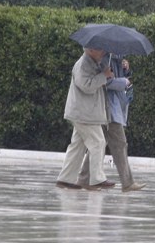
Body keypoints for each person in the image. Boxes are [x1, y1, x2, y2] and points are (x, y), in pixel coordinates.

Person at [78, 55, 146, 193]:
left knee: (99, 143)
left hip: (113, 107)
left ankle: (84, 179)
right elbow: (106, 82)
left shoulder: (116, 60)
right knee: (119, 144)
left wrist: (126, 70)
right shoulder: (105, 59)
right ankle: (127, 182)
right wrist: (124, 81)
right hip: (109, 108)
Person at [56, 47, 115, 191]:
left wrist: (106, 74)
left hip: (84, 112)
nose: (103, 52)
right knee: (98, 142)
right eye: (100, 49)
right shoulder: (83, 64)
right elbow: (85, 86)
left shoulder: (93, 63)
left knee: (77, 145)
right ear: (90, 50)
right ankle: (97, 179)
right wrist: (104, 76)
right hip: (83, 113)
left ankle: (65, 179)